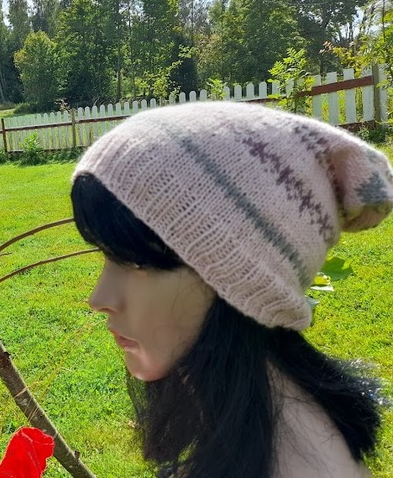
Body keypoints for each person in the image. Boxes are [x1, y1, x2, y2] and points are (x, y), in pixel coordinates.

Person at [70, 101, 393, 478]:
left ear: (244, 281)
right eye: (107, 257)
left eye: (138, 263)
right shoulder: (260, 424)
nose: (99, 299)